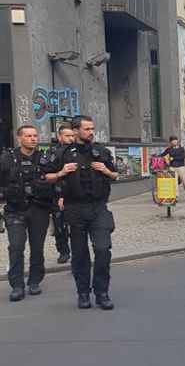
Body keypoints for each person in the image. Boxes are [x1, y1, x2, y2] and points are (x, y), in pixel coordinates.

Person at [44, 115, 118, 310]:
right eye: (87, 129)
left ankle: (102, 293)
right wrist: (61, 173)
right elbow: (45, 177)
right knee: (79, 254)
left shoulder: (100, 152)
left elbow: (116, 174)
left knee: (102, 249)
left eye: (92, 129)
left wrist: (106, 171)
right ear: (76, 131)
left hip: (98, 208)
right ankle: (83, 293)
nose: (91, 132)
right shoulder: (62, 153)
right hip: (74, 208)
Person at [0, 125, 55, 302]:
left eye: (35, 135)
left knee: (37, 248)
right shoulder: (7, 159)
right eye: (28, 136)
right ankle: (17, 285)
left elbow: (56, 181)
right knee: (16, 246)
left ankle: (34, 280)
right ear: (19, 139)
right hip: (15, 209)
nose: (33, 139)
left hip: (39, 208)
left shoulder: (45, 159)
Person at [51, 123, 76, 264]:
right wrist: (60, 195)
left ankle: (78, 253)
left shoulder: (76, 152)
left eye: (72, 135)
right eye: (67, 136)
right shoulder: (53, 153)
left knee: (76, 227)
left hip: (74, 195)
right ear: (59, 136)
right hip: (56, 194)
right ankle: (63, 251)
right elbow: (52, 175)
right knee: (59, 225)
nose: (70, 138)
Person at [161, 136, 185, 201]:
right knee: (174, 183)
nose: (174, 141)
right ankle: (175, 196)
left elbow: (182, 157)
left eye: (175, 140)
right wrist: (155, 156)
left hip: (181, 167)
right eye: (173, 141)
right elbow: (162, 154)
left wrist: (173, 158)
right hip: (172, 167)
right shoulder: (169, 149)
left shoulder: (181, 149)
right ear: (171, 142)